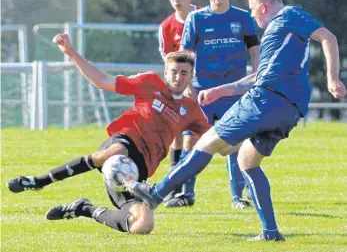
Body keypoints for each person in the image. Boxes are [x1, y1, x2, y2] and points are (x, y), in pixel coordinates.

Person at [125, 0, 347, 241]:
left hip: (265, 100)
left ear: (263, 6)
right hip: (288, 109)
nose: (252, 15)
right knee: (247, 161)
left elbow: (327, 37)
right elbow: (258, 76)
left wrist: (332, 79)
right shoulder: (279, 36)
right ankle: (271, 233)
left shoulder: (289, 15)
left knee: (207, 141)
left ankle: (156, 194)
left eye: (253, 9)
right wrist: (222, 91)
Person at [7, 34, 211, 235]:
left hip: (137, 173)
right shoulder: (149, 82)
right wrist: (71, 53)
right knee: (117, 150)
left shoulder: (191, 110)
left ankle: (84, 209)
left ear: (191, 76)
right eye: (174, 71)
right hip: (125, 141)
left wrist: (240, 129)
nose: (178, 77)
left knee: (143, 225)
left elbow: (217, 140)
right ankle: (39, 181)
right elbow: (102, 80)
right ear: (166, 72)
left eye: (184, 73)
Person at [165, 0, 259, 209]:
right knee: (191, 142)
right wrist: (185, 85)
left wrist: (257, 79)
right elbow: (186, 54)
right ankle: (186, 194)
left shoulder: (243, 17)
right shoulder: (196, 19)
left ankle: (238, 197)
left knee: (235, 143)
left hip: (233, 93)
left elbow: (255, 52)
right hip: (201, 92)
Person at [158, 0, 201, 205]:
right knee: (174, 137)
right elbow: (167, 61)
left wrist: (193, 85)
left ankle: (187, 192)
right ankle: (175, 189)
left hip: (201, 87)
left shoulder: (203, 16)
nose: (176, 0)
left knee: (191, 140)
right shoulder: (166, 26)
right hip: (178, 90)